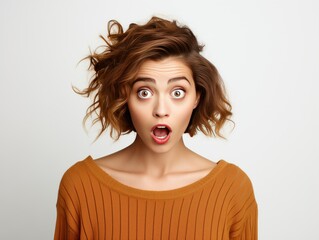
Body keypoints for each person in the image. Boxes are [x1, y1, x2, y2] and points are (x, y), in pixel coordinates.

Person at [54, 16, 258, 240]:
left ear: (197, 98)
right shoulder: (80, 187)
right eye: (145, 92)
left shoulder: (232, 190)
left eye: (177, 92)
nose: (161, 110)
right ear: (126, 96)